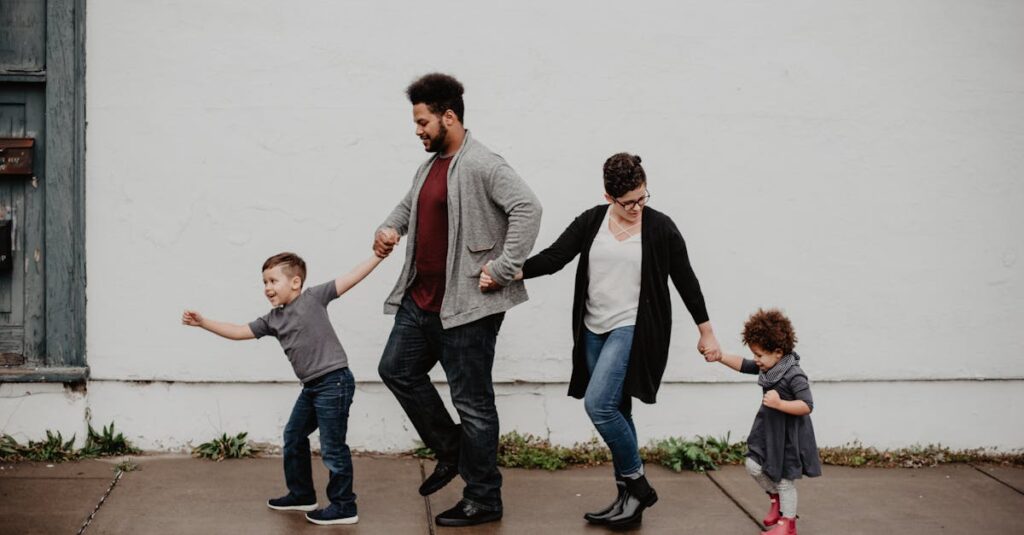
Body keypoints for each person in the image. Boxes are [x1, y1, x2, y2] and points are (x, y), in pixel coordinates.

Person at [481, 153, 721, 527]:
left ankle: (638, 485)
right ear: (609, 197)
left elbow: (686, 279)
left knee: (599, 406)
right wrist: (507, 273)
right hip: (593, 329)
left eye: (643, 198)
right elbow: (556, 257)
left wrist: (706, 331)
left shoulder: (660, 228)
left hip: (633, 328)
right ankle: (628, 502)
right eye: (629, 202)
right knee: (618, 410)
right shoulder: (593, 221)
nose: (637, 207)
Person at [373, 73, 542, 527]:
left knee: (473, 403)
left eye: (423, 121)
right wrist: (389, 228)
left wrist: (503, 268)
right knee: (396, 370)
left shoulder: (483, 163)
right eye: (416, 122)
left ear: (449, 117)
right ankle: (452, 452)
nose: (418, 130)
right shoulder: (429, 166)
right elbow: (409, 206)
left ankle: (484, 497)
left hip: (466, 307)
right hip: (421, 301)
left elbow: (529, 208)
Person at [182, 251, 383, 526]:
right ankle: (302, 494)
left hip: (334, 382)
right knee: (294, 435)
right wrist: (203, 323)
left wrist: (378, 256)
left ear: (296, 282)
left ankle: (344, 505)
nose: (267, 288)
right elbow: (239, 331)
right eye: (264, 282)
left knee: (333, 448)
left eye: (273, 281)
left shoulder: (313, 298)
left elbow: (351, 277)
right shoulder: (272, 320)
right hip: (311, 387)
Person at [707, 308, 821, 535]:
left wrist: (780, 404)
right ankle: (775, 498)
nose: (756, 360)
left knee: (785, 480)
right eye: (755, 354)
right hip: (768, 431)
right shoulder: (768, 367)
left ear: (778, 352)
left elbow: (807, 405)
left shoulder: (794, 374)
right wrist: (720, 357)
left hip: (788, 436)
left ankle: (788, 524)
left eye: (759, 355)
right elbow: (743, 364)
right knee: (753, 465)